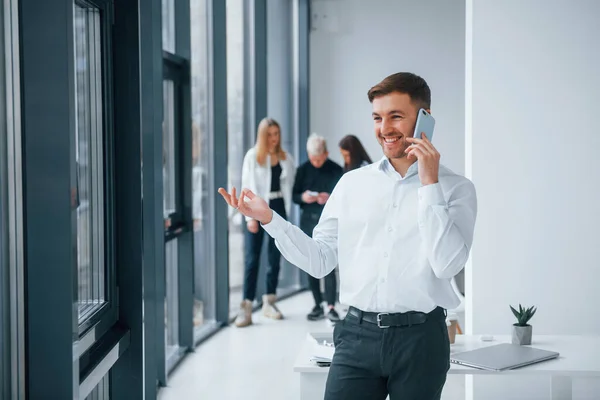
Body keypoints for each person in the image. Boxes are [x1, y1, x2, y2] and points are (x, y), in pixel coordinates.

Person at [218, 72, 477, 399]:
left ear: (425, 120)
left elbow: (447, 265)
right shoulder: (351, 184)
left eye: (396, 116)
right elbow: (320, 261)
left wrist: (429, 185)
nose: (384, 129)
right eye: (377, 117)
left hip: (422, 340)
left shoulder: (456, 189)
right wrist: (270, 219)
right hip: (356, 337)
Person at [235, 117, 296, 328]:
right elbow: (246, 186)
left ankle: (269, 302)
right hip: (256, 208)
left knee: (274, 257)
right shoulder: (253, 157)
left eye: (276, 134)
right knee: (252, 259)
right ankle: (247, 307)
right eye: (269, 134)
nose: (274, 138)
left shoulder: (285, 157)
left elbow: (291, 185)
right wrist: (249, 218)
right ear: (262, 136)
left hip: (278, 207)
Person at [292, 133, 343, 322]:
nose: (316, 162)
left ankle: (331, 306)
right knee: (311, 263)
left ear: (326, 153)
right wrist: (304, 197)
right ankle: (317, 304)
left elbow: (343, 198)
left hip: (328, 221)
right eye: (313, 159)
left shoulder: (336, 170)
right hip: (308, 220)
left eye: (319, 159)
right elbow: (294, 196)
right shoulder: (302, 170)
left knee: (330, 263)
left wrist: (329, 198)